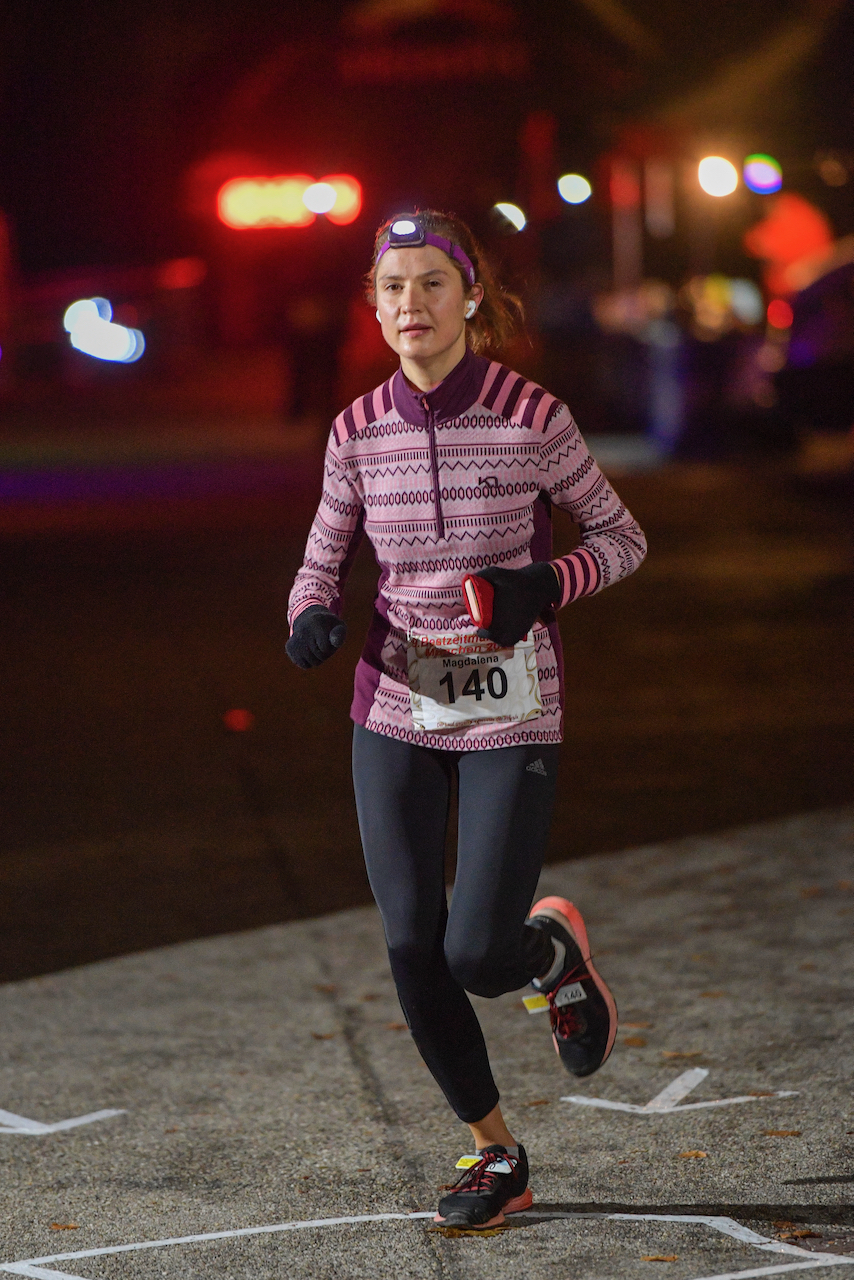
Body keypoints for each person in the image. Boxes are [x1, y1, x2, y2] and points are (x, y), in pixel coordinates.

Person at [286, 211, 647, 1229]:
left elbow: (622, 536)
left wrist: (546, 583)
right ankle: (495, 1152)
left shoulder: (533, 416)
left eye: (432, 284)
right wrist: (309, 610)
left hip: (507, 704)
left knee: (473, 953)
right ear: (374, 303)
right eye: (392, 286)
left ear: (471, 297)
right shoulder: (356, 430)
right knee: (410, 944)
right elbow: (323, 551)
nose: (412, 304)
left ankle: (547, 957)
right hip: (394, 702)